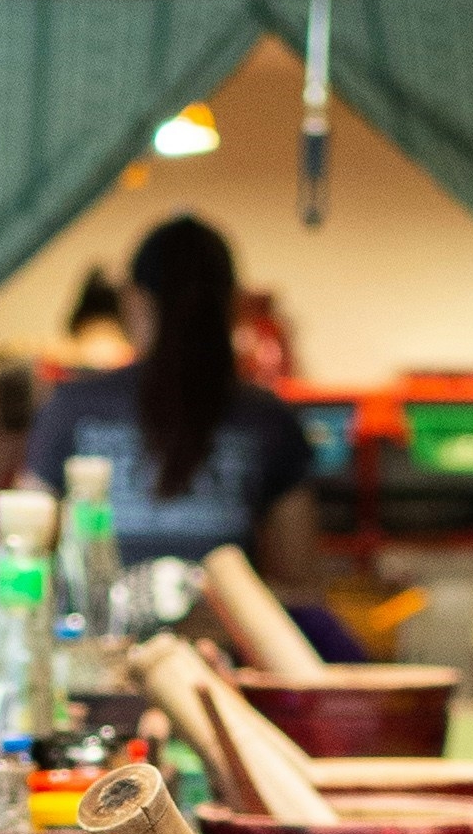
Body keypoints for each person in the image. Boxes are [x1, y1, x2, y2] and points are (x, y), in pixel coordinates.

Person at [21, 214, 321, 571]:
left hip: (97, 625)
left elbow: (21, 548)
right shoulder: (268, 418)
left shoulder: (72, 408)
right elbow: (299, 577)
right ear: (233, 305)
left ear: (133, 300)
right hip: (220, 626)